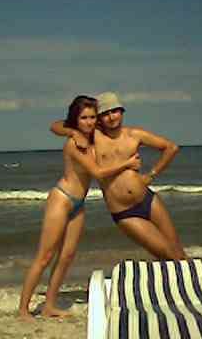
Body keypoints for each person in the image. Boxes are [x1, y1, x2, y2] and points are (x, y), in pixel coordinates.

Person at [18, 95, 141, 320]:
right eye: (83, 118)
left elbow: (58, 126)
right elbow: (98, 173)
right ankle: (23, 309)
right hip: (62, 199)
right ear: (76, 119)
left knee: (67, 256)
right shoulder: (73, 144)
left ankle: (49, 306)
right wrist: (127, 164)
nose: (89, 122)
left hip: (79, 203)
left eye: (92, 117)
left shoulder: (94, 137)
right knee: (45, 256)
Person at [51, 91, 186, 260]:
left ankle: (185, 277)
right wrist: (74, 133)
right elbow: (55, 125)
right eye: (105, 113)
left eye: (114, 111)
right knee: (168, 254)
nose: (111, 117)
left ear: (121, 112)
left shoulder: (134, 134)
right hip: (125, 212)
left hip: (149, 201)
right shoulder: (95, 136)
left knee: (179, 254)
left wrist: (150, 175)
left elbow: (171, 148)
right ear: (99, 118)